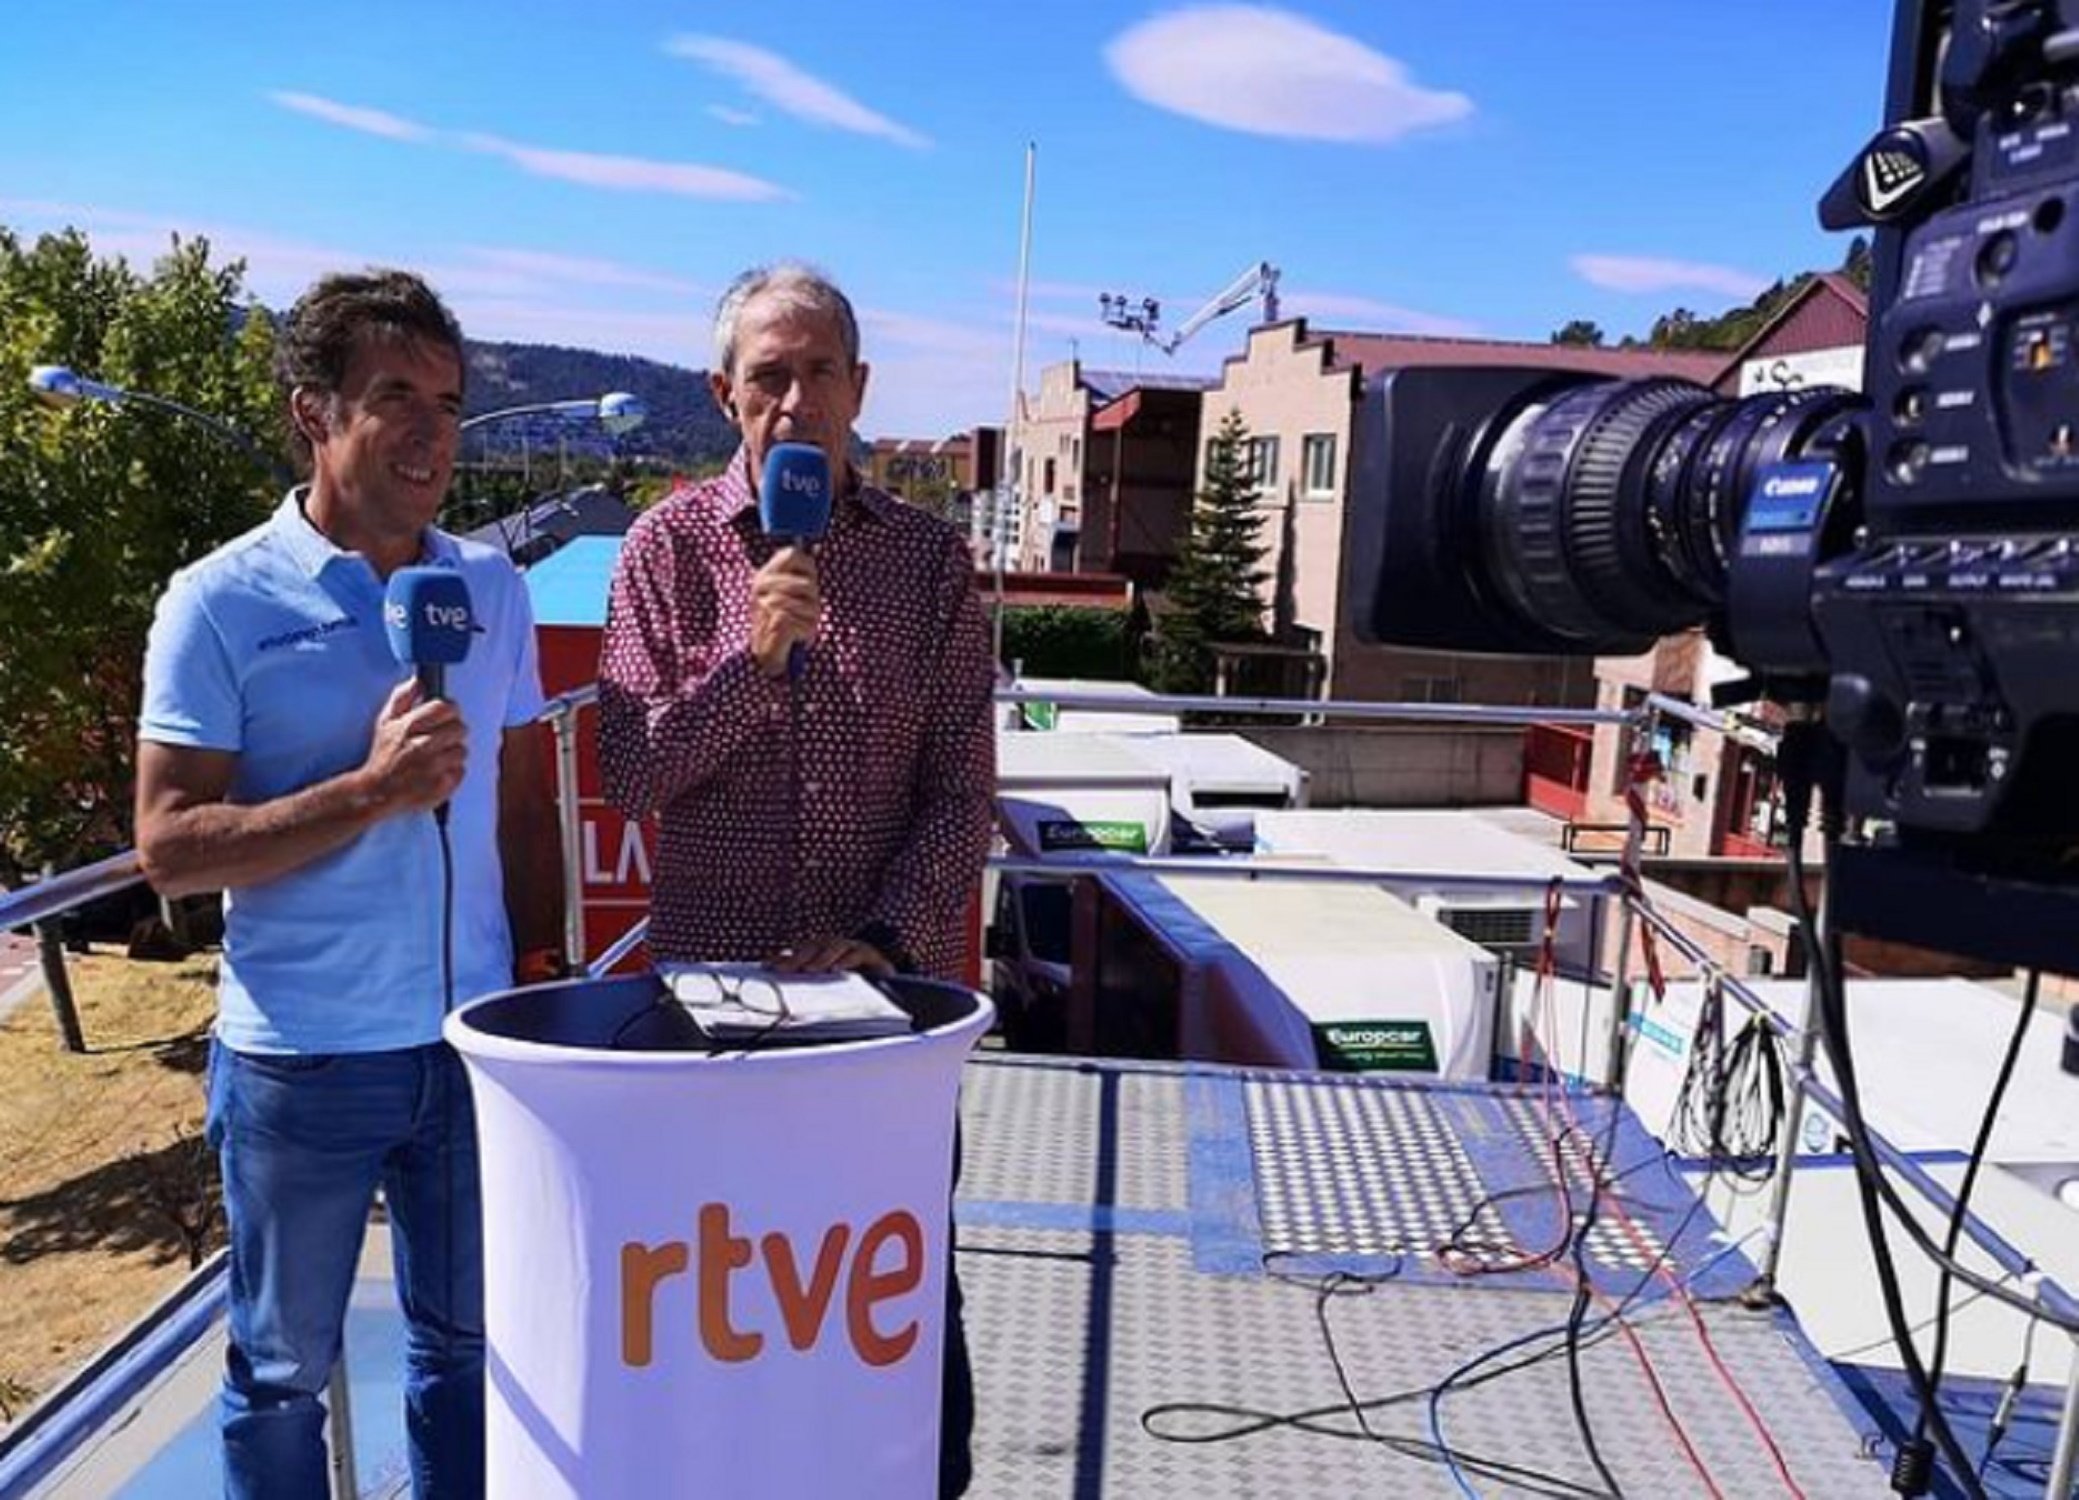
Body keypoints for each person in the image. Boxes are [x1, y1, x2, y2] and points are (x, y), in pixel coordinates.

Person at [135, 269, 565, 1499]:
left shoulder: (494, 590)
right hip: (303, 1061)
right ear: (311, 414)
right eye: (395, 397)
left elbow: (526, 805)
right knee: (280, 1371)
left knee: (470, 1350)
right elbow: (168, 847)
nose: (434, 431)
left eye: (449, 400)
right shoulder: (216, 603)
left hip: (473, 1047)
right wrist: (368, 791)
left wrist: (540, 981)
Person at [597, 261, 995, 1495]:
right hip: (701, 1005)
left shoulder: (931, 566)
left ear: (860, 390)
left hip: (876, 1012)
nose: (797, 400)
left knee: (891, 1294)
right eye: (769, 376)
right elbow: (630, 771)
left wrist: (882, 934)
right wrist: (752, 660)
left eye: (821, 372)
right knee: (713, 1297)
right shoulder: (666, 553)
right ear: (725, 396)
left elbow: (960, 794)